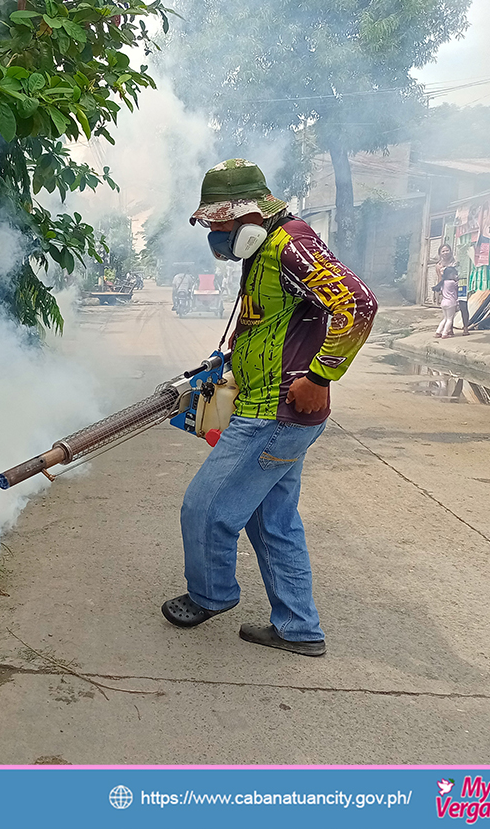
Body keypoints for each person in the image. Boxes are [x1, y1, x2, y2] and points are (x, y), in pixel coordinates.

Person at [160, 159, 378, 656]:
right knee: (271, 521)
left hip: (274, 414)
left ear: (246, 215)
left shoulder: (291, 247)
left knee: (204, 507)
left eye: (218, 224)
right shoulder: (264, 251)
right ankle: (299, 628)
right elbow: (267, 320)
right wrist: (228, 357)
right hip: (269, 409)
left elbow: (359, 306)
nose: (214, 235)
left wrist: (321, 375)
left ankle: (211, 596)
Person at [436, 243, 470, 335]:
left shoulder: (457, 261)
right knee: (450, 310)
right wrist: (440, 291)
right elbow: (440, 278)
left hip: (460, 285)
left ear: (451, 251)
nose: (445, 252)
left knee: (463, 306)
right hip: (448, 289)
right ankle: (449, 330)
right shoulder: (439, 266)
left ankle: (466, 328)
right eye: (443, 251)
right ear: (440, 253)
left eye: (447, 250)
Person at [434, 265, 459, 338]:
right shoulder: (452, 282)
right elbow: (457, 285)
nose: (455, 275)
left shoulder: (443, 283)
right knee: (449, 319)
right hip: (451, 302)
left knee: (445, 318)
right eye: (454, 274)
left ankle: (438, 332)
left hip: (443, 302)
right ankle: (445, 333)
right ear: (450, 275)